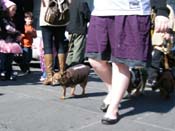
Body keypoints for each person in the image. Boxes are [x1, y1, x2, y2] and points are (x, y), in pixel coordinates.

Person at [85, 0, 170, 125]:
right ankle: (113, 92)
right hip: (101, 11)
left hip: (131, 10)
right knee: (94, 59)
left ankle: (113, 108)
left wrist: (161, 10)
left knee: (120, 62)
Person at [39, 0, 69, 85]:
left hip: (47, 17)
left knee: (48, 47)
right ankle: (62, 73)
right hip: (62, 17)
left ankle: (49, 77)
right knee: (60, 45)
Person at [146, 4, 175, 87]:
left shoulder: (166, 7)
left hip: (161, 39)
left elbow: (171, 21)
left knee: (155, 58)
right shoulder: (149, 7)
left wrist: (169, 32)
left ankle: (152, 79)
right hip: (151, 38)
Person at [0, 0, 23, 80]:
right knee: (3, 59)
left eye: (15, 10)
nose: (14, 12)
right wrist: (17, 32)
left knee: (9, 59)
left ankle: (8, 73)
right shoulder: (3, 19)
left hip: (11, 42)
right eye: (13, 10)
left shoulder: (11, 20)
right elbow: (7, 28)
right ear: (6, 10)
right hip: (4, 42)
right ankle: (2, 72)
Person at [65, 0, 91, 68]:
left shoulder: (69, 3)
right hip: (80, 29)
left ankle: (67, 68)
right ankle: (75, 68)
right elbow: (88, 16)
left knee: (70, 50)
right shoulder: (82, 3)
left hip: (69, 29)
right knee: (78, 51)